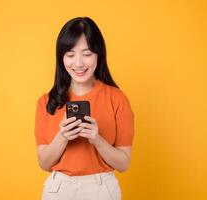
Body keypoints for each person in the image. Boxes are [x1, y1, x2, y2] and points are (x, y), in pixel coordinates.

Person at [34, 16, 135, 200]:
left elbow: (124, 164)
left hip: (101, 189)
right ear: (61, 57)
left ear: (99, 54)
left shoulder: (117, 99)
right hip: (58, 190)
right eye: (70, 55)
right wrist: (62, 136)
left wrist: (97, 139)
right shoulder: (46, 102)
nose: (78, 63)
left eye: (87, 54)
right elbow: (44, 163)